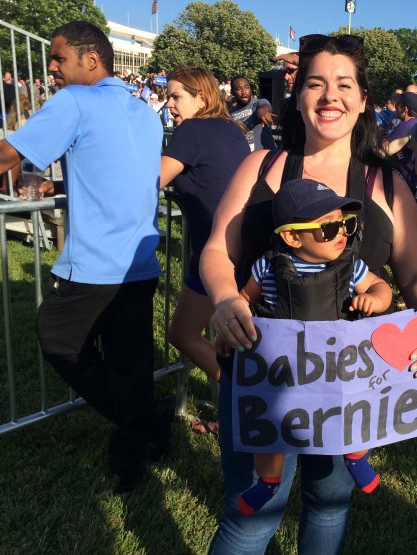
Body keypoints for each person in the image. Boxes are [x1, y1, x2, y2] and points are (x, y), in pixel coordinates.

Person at [199, 32, 417, 554]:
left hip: (349, 383)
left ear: (361, 100)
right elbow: (217, 253)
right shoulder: (260, 167)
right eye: (316, 83)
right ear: (299, 96)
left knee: (330, 503)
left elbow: (416, 271)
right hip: (261, 373)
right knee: (251, 517)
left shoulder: (386, 183)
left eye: (343, 85)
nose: (329, 96)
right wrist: (226, 298)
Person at [0, 21, 168, 493]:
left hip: (98, 265)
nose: (52, 69)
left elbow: (3, 153)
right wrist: (58, 186)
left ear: (91, 59)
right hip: (139, 261)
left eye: (59, 59)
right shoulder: (142, 110)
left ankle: (143, 426)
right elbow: (112, 171)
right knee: (129, 363)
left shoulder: (76, 101)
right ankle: (139, 444)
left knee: (60, 341)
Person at [236, 178, 392, 516]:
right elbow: (247, 297)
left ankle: (357, 456)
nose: (341, 234)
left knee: (353, 411)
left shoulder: (350, 267)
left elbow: (383, 287)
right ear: (292, 236)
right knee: (271, 429)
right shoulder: (268, 266)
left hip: (335, 364)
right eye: (328, 228)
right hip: (283, 368)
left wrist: (374, 299)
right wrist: (240, 311)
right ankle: (268, 482)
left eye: (346, 224)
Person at [160, 65, 250, 435]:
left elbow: (151, 179)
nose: (169, 105)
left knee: (182, 334)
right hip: (241, 249)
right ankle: (243, 400)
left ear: (201, 97)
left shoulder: (191, 130)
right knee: (234, 341)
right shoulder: (232, 130)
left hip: (213, 255)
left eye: (175, 96)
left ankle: (241, 401)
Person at [229, 75, 275, 151]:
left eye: (246, 87)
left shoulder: (258, 103)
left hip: (265, 157)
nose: (243, 91)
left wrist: (263, 113)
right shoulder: (230, 113)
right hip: (244, 158)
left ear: (250, 89)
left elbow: (264, 107)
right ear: (233, 92)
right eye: (238, 89)